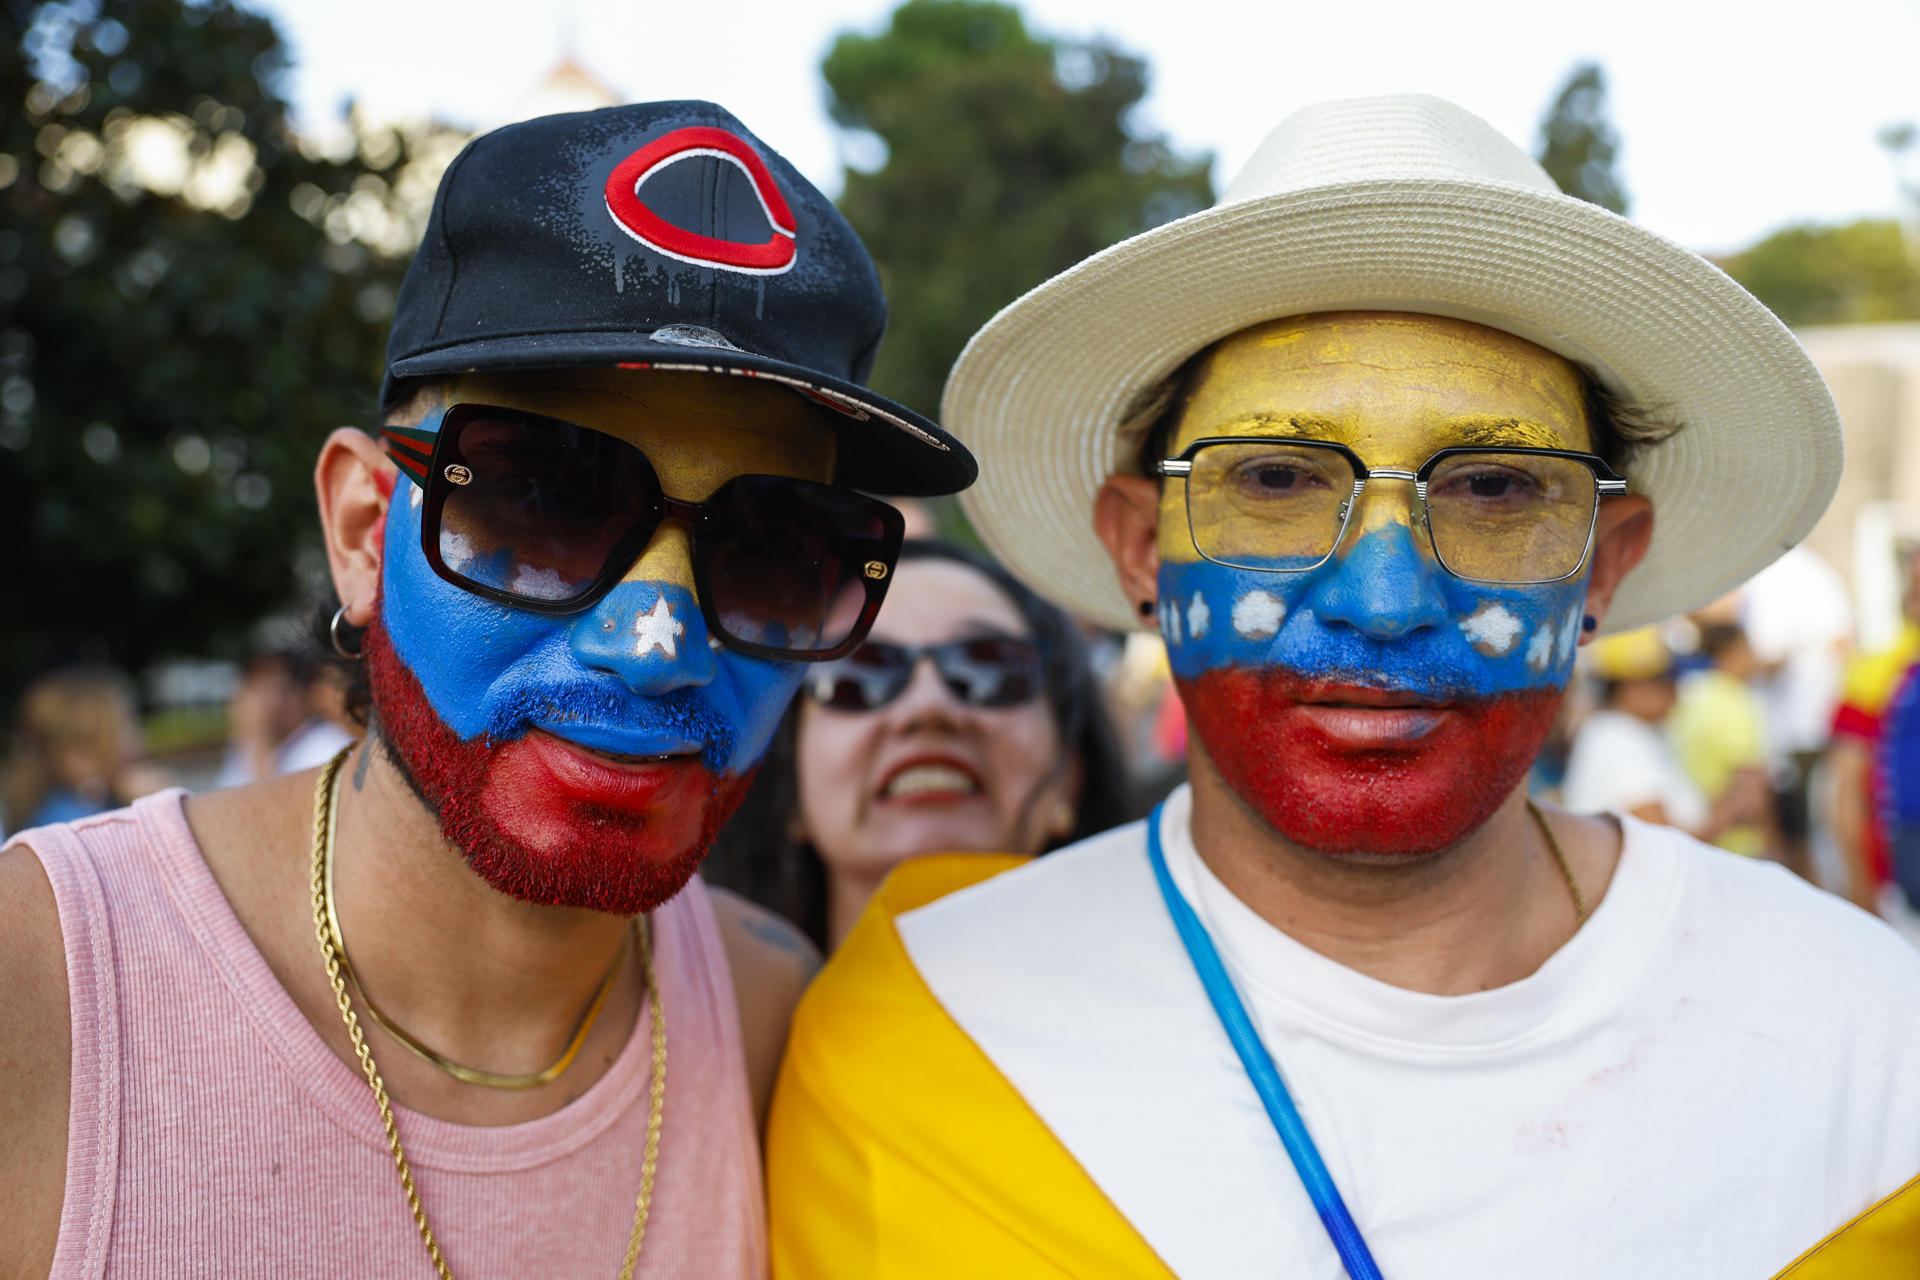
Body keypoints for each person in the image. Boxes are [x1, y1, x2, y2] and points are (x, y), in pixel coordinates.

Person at [767, 96, 1920, 1279]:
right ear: (1139, 550)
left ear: (1604, 563)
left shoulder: (1870, 1048)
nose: (1383, 596)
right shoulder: (929, 1035)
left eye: (1495, 489)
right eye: (1272, 475)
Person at [0, 100, 975, 1278]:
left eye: (773, 544)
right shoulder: (41, 986)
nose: (656, 640)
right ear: (364, 531)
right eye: (546, 501)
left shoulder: (776, 1019)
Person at [703, 539, 1131, 950]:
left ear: (1069, 777)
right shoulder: (708, 1020)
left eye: (990, 666)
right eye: (858, 676)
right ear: (788, 787)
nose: (927, 706)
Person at [1562, 626, 1768, 848]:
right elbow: (1657, 841)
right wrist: (1729, 810)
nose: (1675, 688)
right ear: (1632, 686)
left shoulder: (1626, 732)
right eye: (1665, 679)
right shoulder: (1618, 739)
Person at [1830, 542, 1920, 911]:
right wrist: (1862, 894)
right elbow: (1845, 789)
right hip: (1904, 867)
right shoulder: (1877, 668)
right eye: (1913, 581)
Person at [0, 666, 170, 833]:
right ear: (77, 758)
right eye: (124, 731)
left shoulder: (89, 803)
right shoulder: (76, 826)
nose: (138, 740)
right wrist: (157, 807)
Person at [1667, 622, 1777, 856]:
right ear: (1732, 651)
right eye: (1748, 648)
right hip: (1736, 843)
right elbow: (1749, 781)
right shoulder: (1733, 700)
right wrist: (1771, 843)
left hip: (1701, 834)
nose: (1755, 657)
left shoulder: (1693, 694)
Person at [213, 647, 356, 787]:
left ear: (301, 695)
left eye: (272, 687)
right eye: (253, 685)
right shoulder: (242, 749)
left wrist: (260, 748)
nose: (259, 699)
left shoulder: (327, 745)